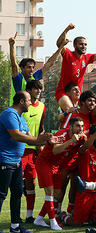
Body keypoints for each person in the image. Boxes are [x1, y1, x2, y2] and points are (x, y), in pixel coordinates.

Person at [0, 91, 57, 233]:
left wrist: (45, 139)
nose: (31, 103)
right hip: (4, 160)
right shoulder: (9, 114)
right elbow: (16, 135)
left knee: (17, 193)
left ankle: (15, 226)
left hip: (16, 161)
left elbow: (29, 136)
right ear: (21, 101)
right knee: (1, 194)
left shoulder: (20, 117)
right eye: (29, 100)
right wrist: (38, 140)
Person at [34, 117, 86, 230]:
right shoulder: (62, 134)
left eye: (82, 126)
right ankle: (53, 222)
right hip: (44, 162)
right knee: (50, 191)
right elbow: (55, 150)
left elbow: (82, 149)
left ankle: (39, 219)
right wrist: (71, 140)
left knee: (57, 194)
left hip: (56, 166)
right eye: (78, 126)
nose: (80, 128)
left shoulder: (80, 137)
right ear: (70, 127)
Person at [55, 23, 96, 112]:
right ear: (74, 45)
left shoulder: (87, 58)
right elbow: (59, 43)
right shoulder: (68, 54)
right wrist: (67, 29)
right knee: (72, 111)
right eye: (81, 44)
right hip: (63, 91)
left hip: (77, 93)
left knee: (92, 111)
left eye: (85, 44)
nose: (84, 46)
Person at [61, 125, 96, 226]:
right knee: (76, 224)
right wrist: (95, 134)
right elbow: (85, 147)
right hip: (84, 192)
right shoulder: (84, 150)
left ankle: (89, 217)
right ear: (92, 136)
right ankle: (63, 216)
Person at [8, 32, 67, 105]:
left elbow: (49, 63)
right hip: (16, 112)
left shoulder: (35, 77)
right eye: (29, 67)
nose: (32, 69)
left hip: (29, 111)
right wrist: (11, 46)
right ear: (22, 68)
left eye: (33, 67)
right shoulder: (18, 78)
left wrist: (61, 47)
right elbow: (14, 64)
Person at [22, 80, 46, 223]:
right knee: (15, 184)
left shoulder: (42, 106)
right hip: (20, 149)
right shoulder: (23, 106)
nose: (39, 91)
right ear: (29, 90)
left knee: (31, 183)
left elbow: (41, 127)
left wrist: (40, 143)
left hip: (33, 151)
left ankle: (29, 216)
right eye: (36, 89)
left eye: (40, 89)